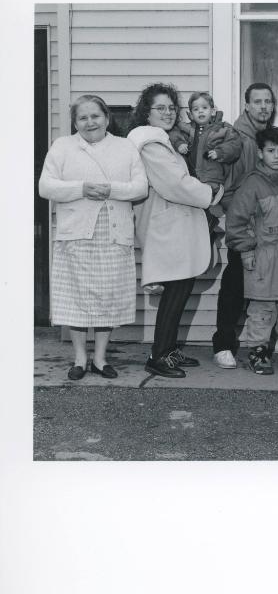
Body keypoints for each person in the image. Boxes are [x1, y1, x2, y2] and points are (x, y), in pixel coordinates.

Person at [38, 94, 147, 380]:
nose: (90, 122)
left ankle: (100, 358)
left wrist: (111, 190)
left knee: (106, 297)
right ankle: (79, 358)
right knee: (76, 296)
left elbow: (140, 188)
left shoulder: (124, 148)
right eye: (82, 117)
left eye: (95, 116)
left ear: (107, 118)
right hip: (76, 234)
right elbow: (46, 186)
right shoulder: (63, 147)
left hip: (112, 233)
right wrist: (82, 188)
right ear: (74, 123)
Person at [128, 82, 222, 378]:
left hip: (175, 222)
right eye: (160, 108)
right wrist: (211, 191)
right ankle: (158, 355)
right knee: (176, 288)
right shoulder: (150, 143)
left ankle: (168, 349)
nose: (167, 113)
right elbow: (175, 184)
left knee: (180, 287)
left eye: (171, 107)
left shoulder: (163, 139)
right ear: (146, 112)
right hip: (166, 224)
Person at [225, 126, 278, 375]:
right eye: (270, 151)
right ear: (260, 153)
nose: (276, 156)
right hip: (263, 255)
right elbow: (236, 221)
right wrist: (246, 250)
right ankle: (259, 352)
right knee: (263, 308)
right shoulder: (252, 183)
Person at [211, 82, 276, 369]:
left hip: (267, 223)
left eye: (268, 101)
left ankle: (261, 342)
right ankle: (223, 344)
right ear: (246, 105)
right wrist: (240, 221)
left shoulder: (265, 138)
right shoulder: (238, 139)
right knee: (235, 281)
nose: (263, 106)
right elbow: (226, 185)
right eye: (257, 101)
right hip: (245, 224)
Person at [167, 91, 242, 233]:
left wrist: (220, 152)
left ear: (213, 111)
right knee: (193, 209)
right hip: (191, 177)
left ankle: (210, 224)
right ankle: (205, 227)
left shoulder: (223, 129)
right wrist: (179, 144)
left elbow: (235, 145)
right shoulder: (186, 129)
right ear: (190, 114)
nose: (200, 111)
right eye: (196, 109)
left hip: (212, 178)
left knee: (208, 205)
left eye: (204, 108)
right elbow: (173, 134)